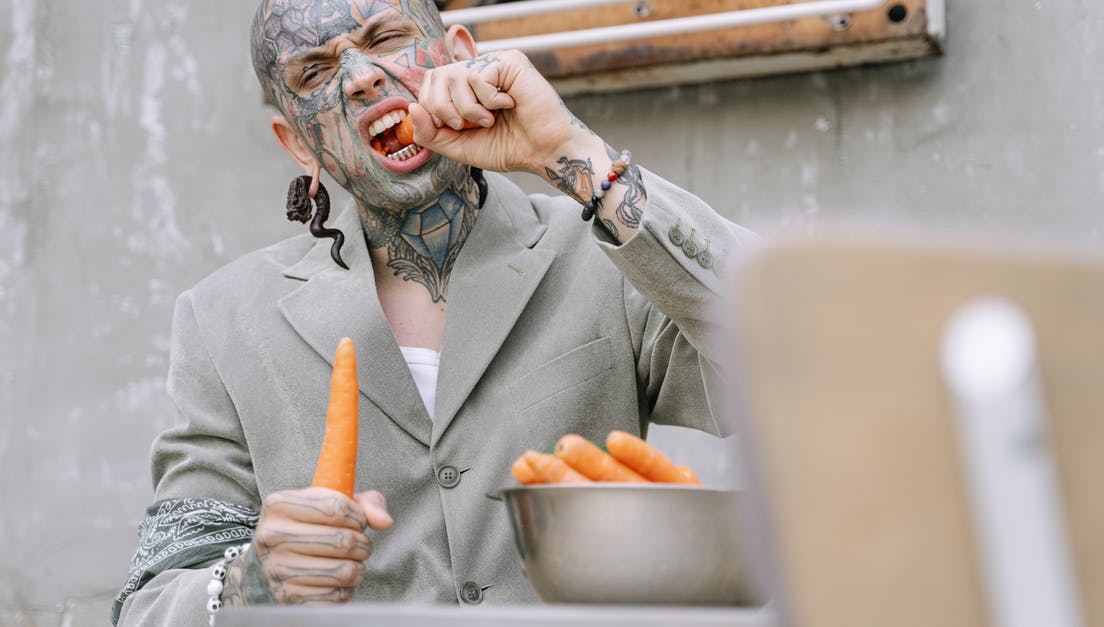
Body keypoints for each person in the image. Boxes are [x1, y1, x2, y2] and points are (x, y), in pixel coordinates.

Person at [113, 0, 752, 624]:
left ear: (462, 58)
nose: (362, 78)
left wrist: (571, 152)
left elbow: (803, 357)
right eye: (315, 71)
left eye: (385, 38)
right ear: (296, 143)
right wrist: (249, 582)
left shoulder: (605, 255)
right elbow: (149, 604)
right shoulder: (223, 321)